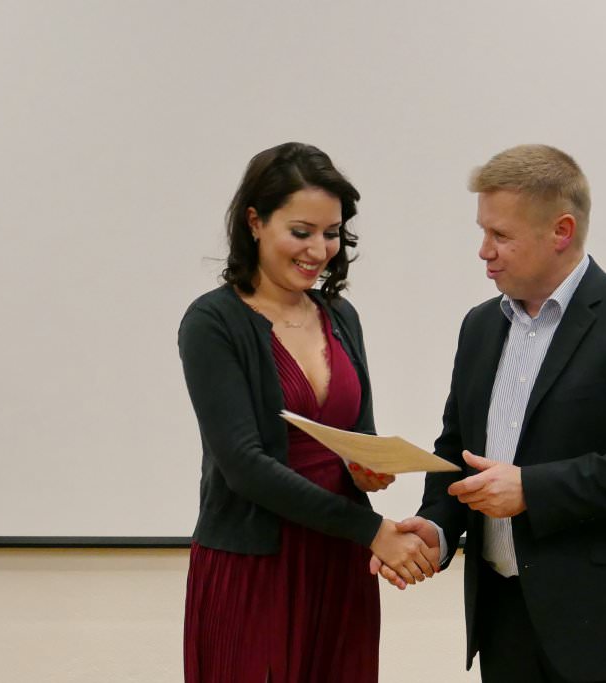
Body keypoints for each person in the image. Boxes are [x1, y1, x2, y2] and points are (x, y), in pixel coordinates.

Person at [373, 144, 606, 683]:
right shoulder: (480, 326)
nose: (484, 251)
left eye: (501, 235)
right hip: (507, 626)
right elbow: (458, 450)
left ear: (561, 231)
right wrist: (437, 527)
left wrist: (533, 488)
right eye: (482, 232)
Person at [179, 142, 437, 683]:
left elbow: (359, 433)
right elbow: (244, 467)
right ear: (255, 222)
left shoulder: (341, 316)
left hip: (340, 563)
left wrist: (367, 468)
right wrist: (373, 530)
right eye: (301, 232)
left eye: (332, 233)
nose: (319, 250)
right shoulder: (212, 323)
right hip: (254, 568)